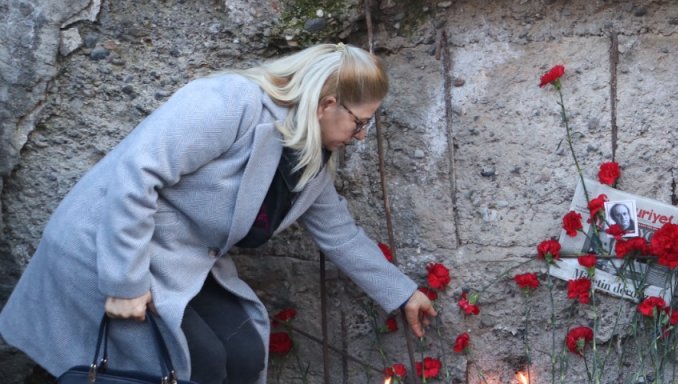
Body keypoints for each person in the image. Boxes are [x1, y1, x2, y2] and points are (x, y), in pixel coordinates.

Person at [0, 44, 437, 384]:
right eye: (359, 122)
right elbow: (136, 175)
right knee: (198, 361)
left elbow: (339, 233)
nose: (361, 136)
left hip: (176, 262)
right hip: (107, 249)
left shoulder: (309, 157)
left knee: (245, 351)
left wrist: (401, 293)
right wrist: (123, 282)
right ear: (327, 103)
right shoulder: (230, 102)